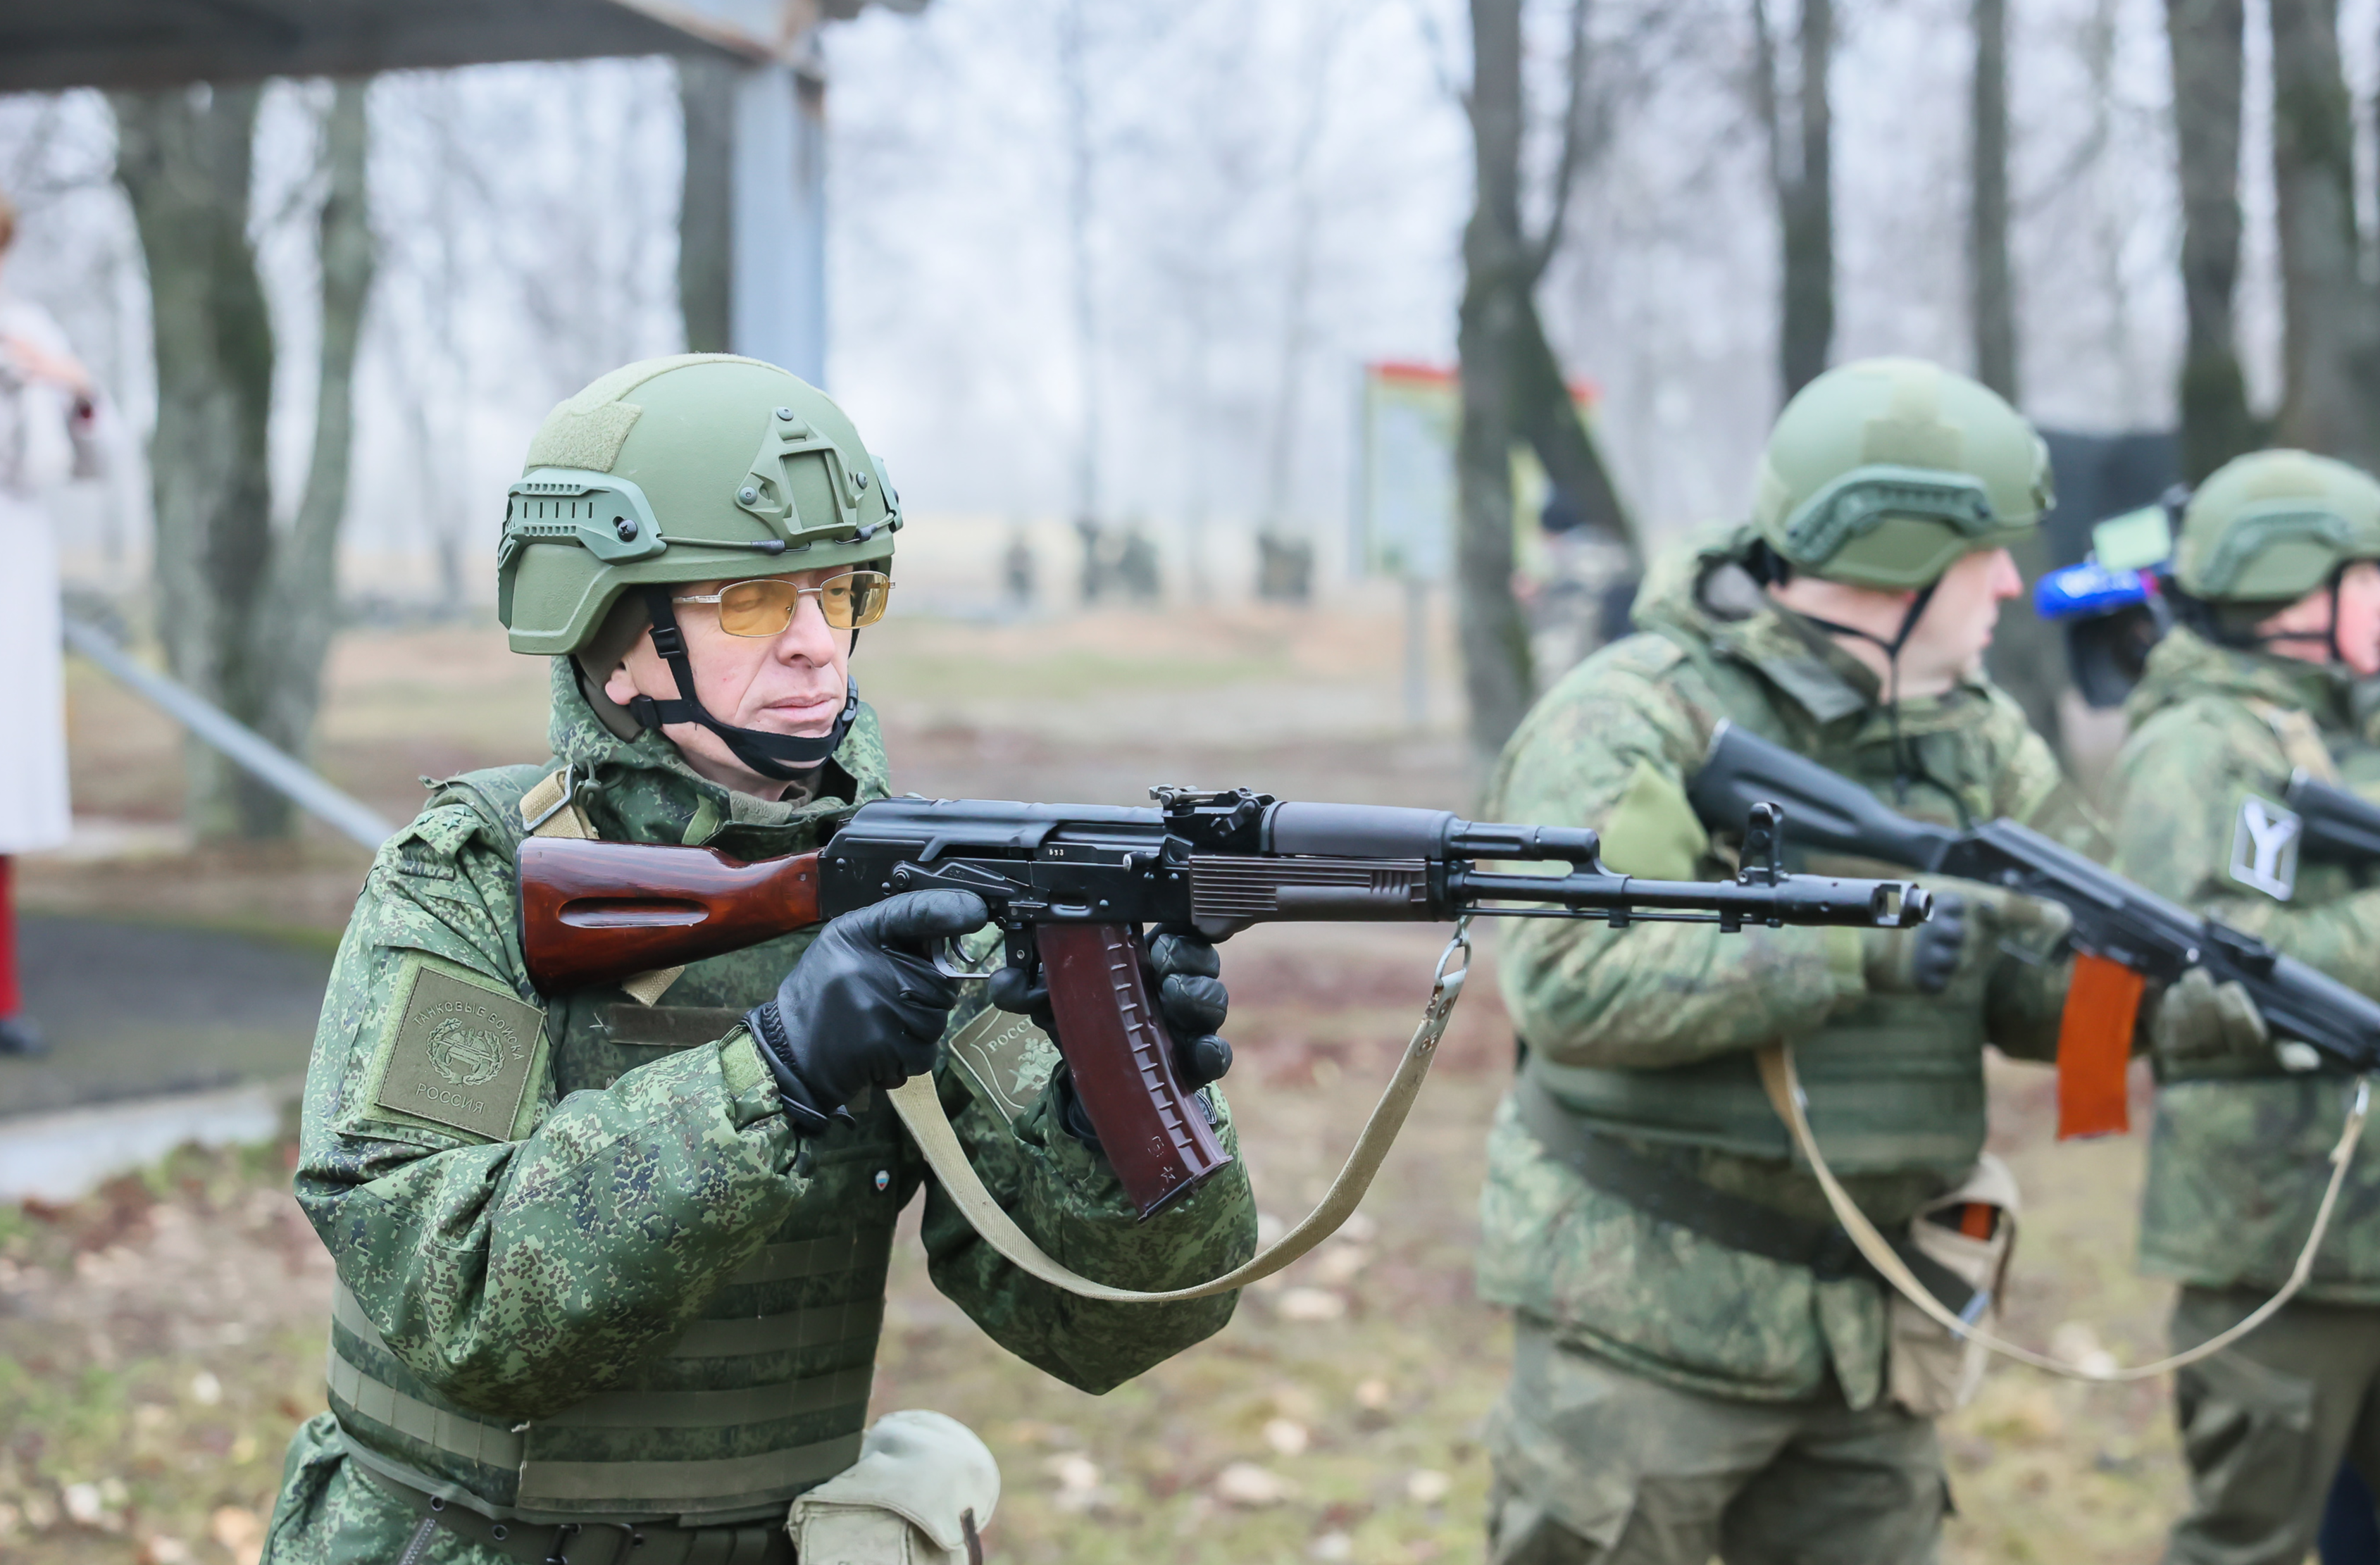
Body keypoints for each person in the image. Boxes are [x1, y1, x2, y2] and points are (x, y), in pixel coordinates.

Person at [258, 354, 1257, 1565]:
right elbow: (454, 1298)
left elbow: (1100, 1330)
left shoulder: (920, 894)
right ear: (613, 636)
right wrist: (770, 1074)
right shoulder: (469, 881)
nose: (811, 646)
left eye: (836, 595)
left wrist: (1114, 1117)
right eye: (746, 603)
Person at [1473, 357, 2105, 1564]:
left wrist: (2187, 1003)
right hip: (1639, 1324)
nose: (2013, 584)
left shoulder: (1978, 741)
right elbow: (1569, 980)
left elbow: (2045, 1005)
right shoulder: (1633, 716)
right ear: (1897, 557)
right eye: (1987, 554)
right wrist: (1849, 944)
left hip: (1868, 1333)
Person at [2101, 449, 2380, 1565]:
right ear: (2292, 596)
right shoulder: (2200, 750)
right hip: (2276, 1235)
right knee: (2249, 1541)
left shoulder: (2341, 729)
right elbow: (2200, 960)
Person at [0, 184, 106, 1058]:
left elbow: (83, 452)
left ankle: (4, 996)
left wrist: (68, 386)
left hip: (12, 574)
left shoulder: (27, 324)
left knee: (6, 797)